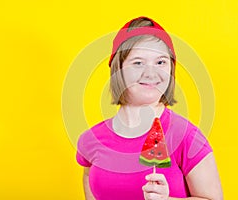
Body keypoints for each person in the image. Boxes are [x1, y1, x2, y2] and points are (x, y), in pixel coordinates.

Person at [76, 16, 223, 200]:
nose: (151, 73)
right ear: (118, 71)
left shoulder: (187, 137)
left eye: (161, 62)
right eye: (138, 63)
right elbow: (89, 175)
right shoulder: (91, 139)